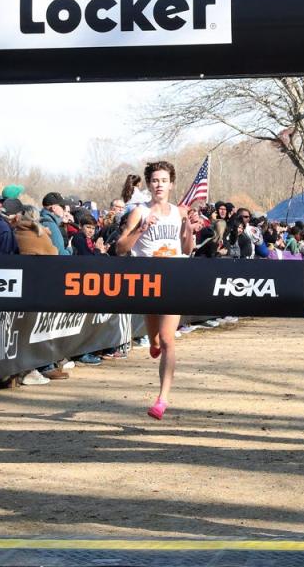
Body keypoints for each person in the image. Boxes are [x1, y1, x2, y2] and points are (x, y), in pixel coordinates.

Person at [116, 161, 198, 419]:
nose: (159, 184)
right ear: (149, 184)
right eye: (154, 180)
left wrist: (187, 226)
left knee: (167, 339)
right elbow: (121, 249)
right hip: (147, 281)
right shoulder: (139, 212)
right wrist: (142, 229)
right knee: (155, 340)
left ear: (171, 184)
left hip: (173, 279)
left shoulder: (178, 212)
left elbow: (186, 249)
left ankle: (162, 400)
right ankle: (153, 344)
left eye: (164, 180)